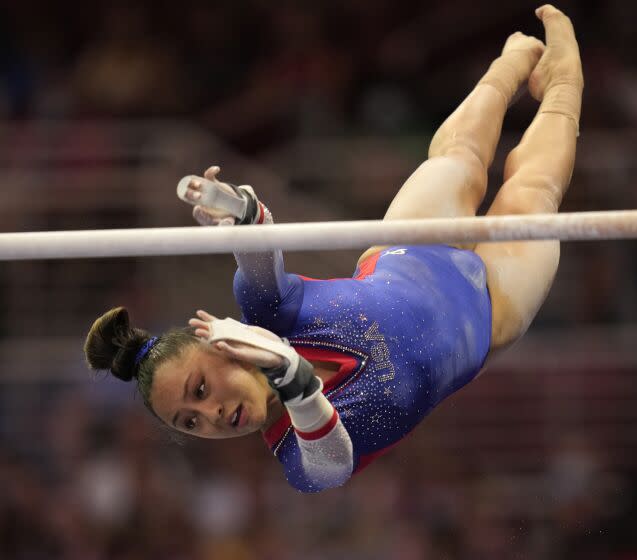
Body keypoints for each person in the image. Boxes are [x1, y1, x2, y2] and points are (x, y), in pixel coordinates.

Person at [84, 5, 583, 492]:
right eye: (190, 423)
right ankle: (564, 85)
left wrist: (240, 216)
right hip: (487, 313)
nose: (212, 415)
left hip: (406, 252)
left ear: (220, 346)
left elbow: (258, 256)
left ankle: (509, 65)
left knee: (462, 159)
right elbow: (332, 456)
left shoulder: (272, 312)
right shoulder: (300, 456)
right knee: (531, 191)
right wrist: (290, 374)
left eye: (200, 389)